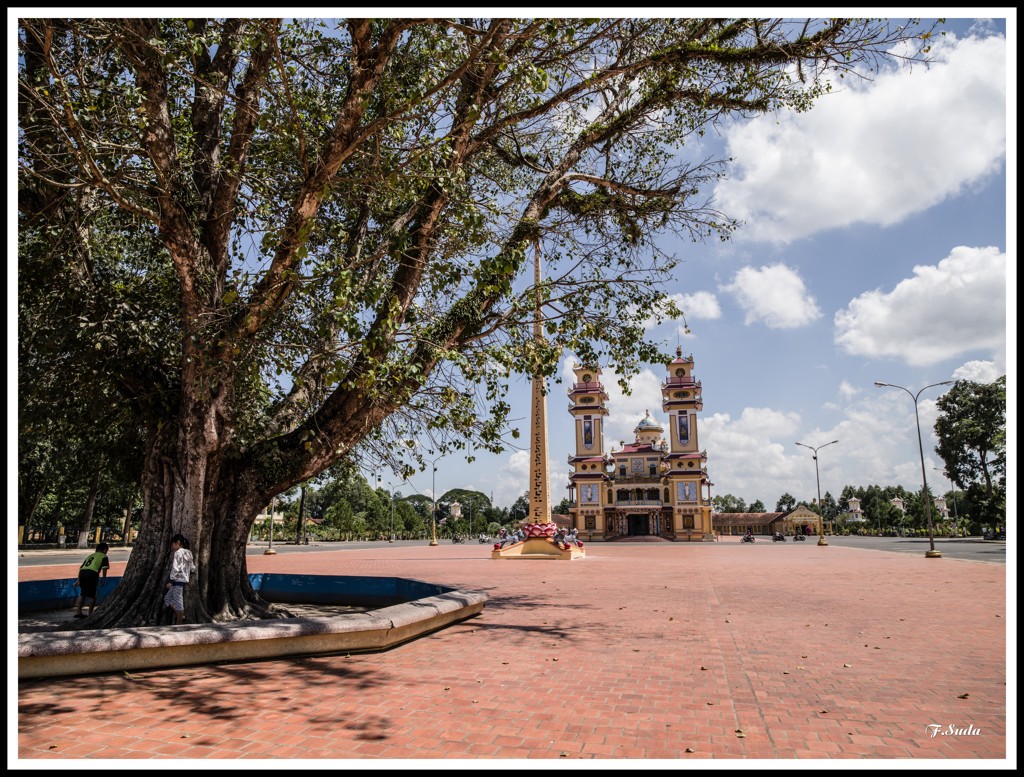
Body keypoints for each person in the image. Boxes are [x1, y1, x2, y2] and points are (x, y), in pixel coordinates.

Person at [164, 533, 197, 625]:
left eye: (173, 544)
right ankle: (182, 616)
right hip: (182, 580)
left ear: (178, 543)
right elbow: (192, 567)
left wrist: (171, 581)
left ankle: (179, 625)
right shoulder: (188, 552)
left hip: (177, 581)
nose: (172, 547)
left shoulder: (177, 553)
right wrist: (192, 569)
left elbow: (175, 568)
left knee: (179, 603)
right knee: (167, 598)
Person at [73, 542, 110, 618]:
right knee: (92, 595)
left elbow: (82, 568)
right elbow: (104, 568)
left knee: (82, 593)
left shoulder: (90, 556)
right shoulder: (104, 556)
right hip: (92, 574)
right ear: (105, 550)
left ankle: (78, 612)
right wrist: (103, 578)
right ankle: (90, 614)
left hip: (82, 573)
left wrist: (78, 580)